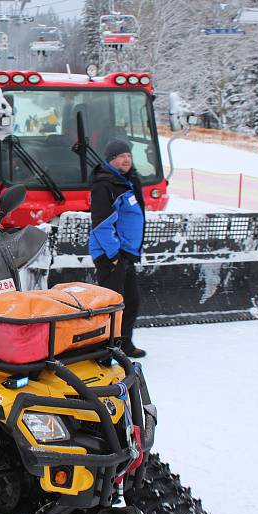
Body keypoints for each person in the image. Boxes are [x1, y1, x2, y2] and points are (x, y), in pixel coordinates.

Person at [88, 139, 146, 359]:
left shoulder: (127, 182)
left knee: (131, 300)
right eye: (121, 156)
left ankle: (123, 344)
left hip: (125, 253)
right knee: (112, 305)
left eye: (129, 156)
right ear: (111, 159)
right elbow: (102, 224)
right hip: (110, 253)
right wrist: (113, 255)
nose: (126, 160)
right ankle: (105, 350)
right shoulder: (105, 184)